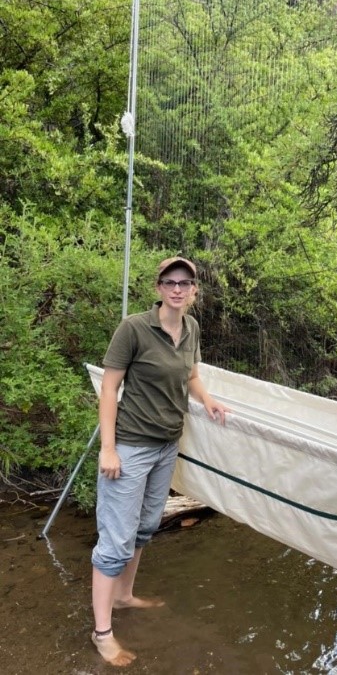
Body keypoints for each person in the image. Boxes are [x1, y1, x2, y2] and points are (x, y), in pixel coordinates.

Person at [90, 256, 228, 667]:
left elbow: (191, 375)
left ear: (194, 291)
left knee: (146, 526)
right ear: (158, 288)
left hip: (168, 444)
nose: (177, 289)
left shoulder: (192, 328)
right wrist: (108, 449)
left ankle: (125, 596)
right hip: (131, 446)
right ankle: (102, 633)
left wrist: (208, 400)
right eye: (170, 282)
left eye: (185, 283)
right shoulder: (133, 328)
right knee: (115, 539)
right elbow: (109, 389)